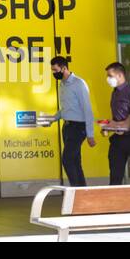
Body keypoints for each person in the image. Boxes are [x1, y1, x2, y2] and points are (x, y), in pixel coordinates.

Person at [42, 55, 95, 187]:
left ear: (64, 68)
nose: (54, 73)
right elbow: (66, 109)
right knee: (75, 161)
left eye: (55, 70)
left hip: (78, 128)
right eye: (52, 70)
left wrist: (90, 134)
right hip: (67, 127)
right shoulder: (62, 85)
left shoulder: (79, 84)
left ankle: (75, 191)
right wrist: (52, 119)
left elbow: (87, 109)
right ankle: (82, 192)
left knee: (67, 159)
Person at [102, 62, 130, 185]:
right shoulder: (114, 92)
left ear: (120, 75)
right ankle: (114, 201)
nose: (108, 79)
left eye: (110, 76)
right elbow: (117, 116)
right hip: (117, 138)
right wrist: (108, 127)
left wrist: (125, 126)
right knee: (115, 174)